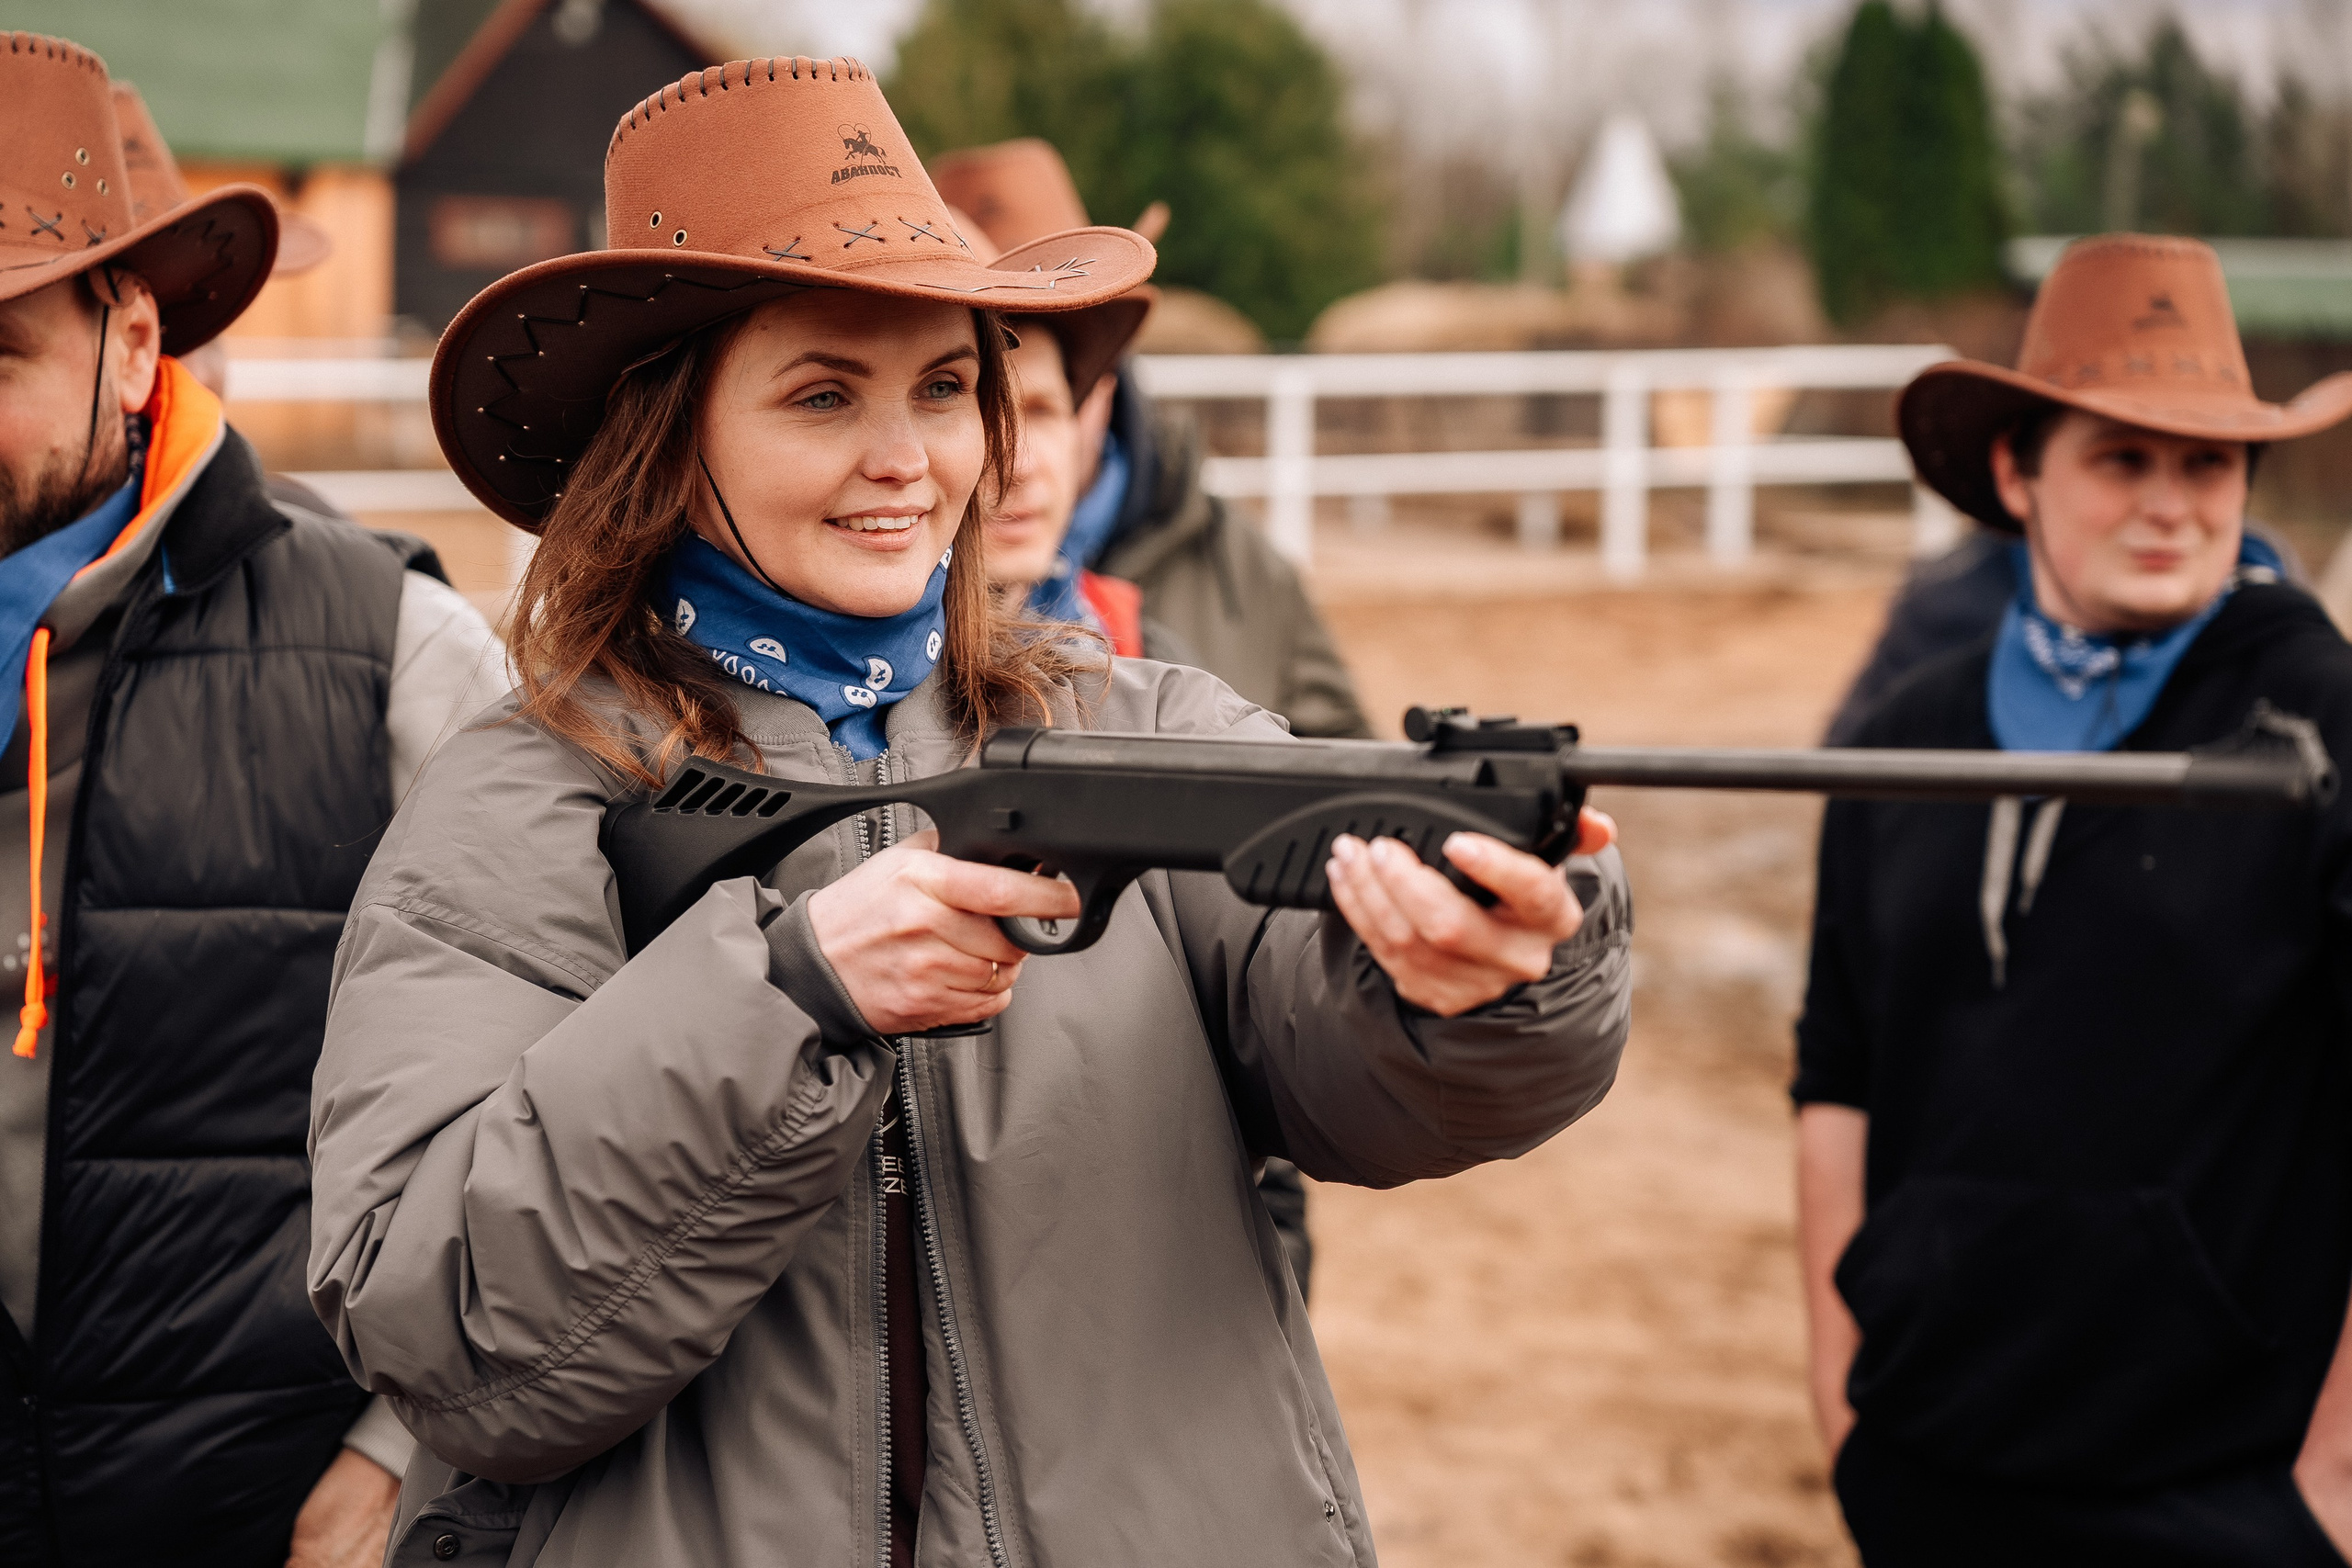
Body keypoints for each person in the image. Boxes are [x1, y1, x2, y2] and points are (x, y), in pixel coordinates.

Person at [307, 59, 1632, 1568]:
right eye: (824, 394)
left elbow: (1377, 1074)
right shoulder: (520, 797)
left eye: (944, 387)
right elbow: (443, 1333)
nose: (911, 459)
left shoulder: (1144, 719)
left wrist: (1489, 974)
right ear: (666, 434)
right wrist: (786, 998)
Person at [0, 35, 505, 1568]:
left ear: (133, 341)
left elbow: (547, 1091)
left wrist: (403, 1445)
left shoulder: (394, 648)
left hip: (256, 1512)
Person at [1794, 233, 2352, 1565]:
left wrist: (2332, 1480)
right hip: (1927, 1466)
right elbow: (1837, 1077)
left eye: (2206, 463)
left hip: (2226, 1493)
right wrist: (1841, 1398)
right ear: (2016, 471)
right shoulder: (1903, 736)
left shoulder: (2320, 722)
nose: (2170, 506)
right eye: (2121, 458)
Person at [933, 137, 1371, 742]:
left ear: (1100, 381)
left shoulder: (1238, 572)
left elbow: (1341, 764)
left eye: (1045, 408)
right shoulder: (887, 656)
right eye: (966, 402)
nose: (1017, 460)